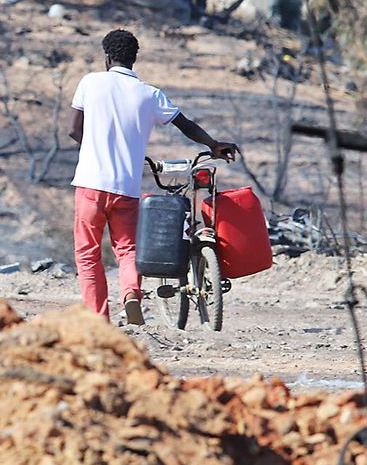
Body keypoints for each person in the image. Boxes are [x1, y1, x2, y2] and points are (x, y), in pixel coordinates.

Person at [69, 29, 239, 325]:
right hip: (127, 188)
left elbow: (74, 129)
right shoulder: (149, 93)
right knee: (127, 249)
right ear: (134, 60)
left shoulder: (90, 82)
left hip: (90, 185)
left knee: (88, 255)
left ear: (107, 57)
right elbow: (184, 123)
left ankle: (97, 320)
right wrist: (213, 145)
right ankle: (131, 294)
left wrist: (95, 148)